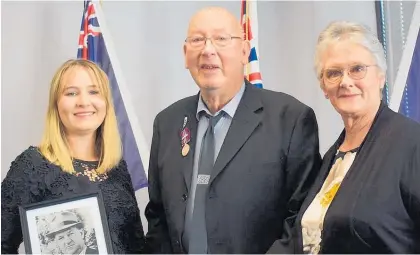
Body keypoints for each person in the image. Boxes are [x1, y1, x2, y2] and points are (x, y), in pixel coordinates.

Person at [145, 7, 322, 254]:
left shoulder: (289, 119)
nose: (208, 50)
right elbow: (158, 216)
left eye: (221, 39)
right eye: (197, 40)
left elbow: (301, 221)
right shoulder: (167, 123)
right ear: (186, 54)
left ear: (243, 52)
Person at [286, 21, 420, 253]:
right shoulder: (333, 158)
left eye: (357, 69)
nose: (345, 82)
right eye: (334, 73)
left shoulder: (412, 144)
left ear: (380, 76)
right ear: (324, 88)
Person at [1, 59, 147, 254]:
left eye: (94, 92)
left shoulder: (117, 168)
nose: (84, 102)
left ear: (106, 102)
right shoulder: (32, 165)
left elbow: (137, 246)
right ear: (56, 104)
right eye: (71, 93)